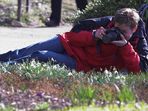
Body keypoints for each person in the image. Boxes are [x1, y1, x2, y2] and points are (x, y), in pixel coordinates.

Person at [0, 8, 148, 73]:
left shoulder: (137, 42)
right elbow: (72, 36)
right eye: (116, 29)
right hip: (69, 45)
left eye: (123, 32)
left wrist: (124, 46)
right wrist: (93, 35)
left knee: (40, 54)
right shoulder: (105, 24)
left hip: (83, 63)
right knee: (24, 51)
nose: (118, 33)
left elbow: (139, 69)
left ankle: (5, 68)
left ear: (134, 28)